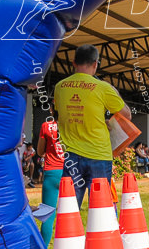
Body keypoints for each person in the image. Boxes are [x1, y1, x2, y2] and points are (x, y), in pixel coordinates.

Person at [53, 44, 131, 207]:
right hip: (99, 155)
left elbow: (61, 114)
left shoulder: (60, 87)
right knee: (103, 208)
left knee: (69, 208)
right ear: (96, 64)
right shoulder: (103, 88)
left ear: (73, 63)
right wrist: (108, 119)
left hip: (71, 156)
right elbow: (126, 115)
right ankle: (109, 232)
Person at [37, 111, 65, 244]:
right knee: (70, 214)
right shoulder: (74, 125)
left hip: (52, 172)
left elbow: (40, 151)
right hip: (69, 173)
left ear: (52, 110)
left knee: (47, 215)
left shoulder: (46, 126)